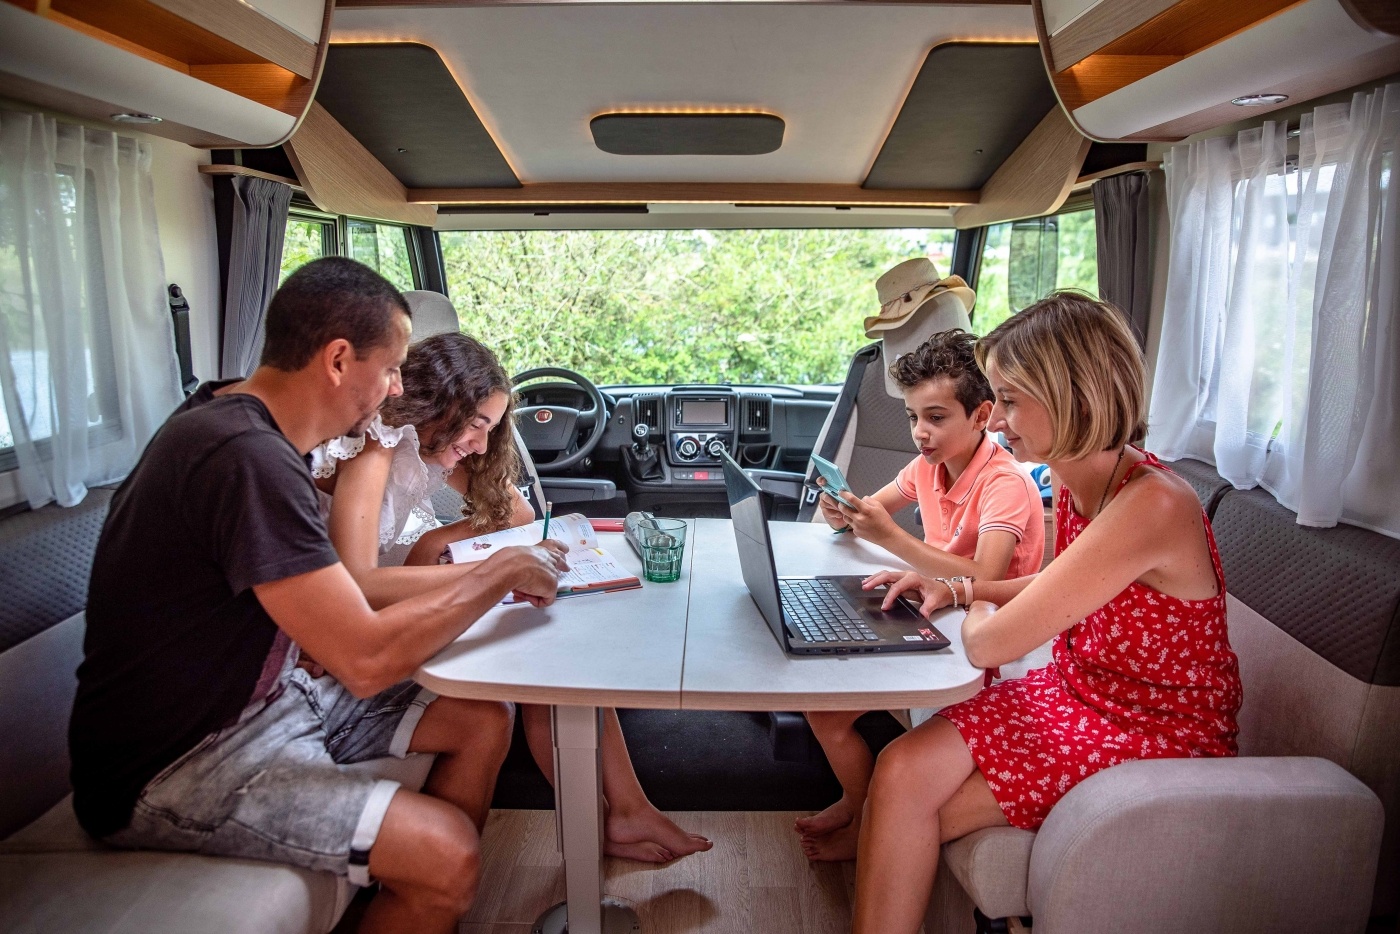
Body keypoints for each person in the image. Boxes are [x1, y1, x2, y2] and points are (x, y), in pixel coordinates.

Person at [70, 258, 568, 934]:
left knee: (480, 721)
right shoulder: (244, 457)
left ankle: (420, 907)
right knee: (447, 854)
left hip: (276, 700)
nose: (398, 390)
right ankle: (428, 886)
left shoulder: (242, 422)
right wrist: (496, 573)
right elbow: (364, 659)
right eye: (391, 370)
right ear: (338, 361)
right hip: (177, 761)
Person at [850, 293, 1242, 933]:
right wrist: (957, 589)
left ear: (1071, 395)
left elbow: (987, 647)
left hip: (1153, 730)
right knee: (899, 768)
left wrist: (973, 596)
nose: (998, 421)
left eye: (1009, 400)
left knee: (914, 808)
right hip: (1081, 690)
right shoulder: (1077, 475)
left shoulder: (1154, 504)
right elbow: (1057, 585)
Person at [312, 330, 711, 863]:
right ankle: (620, 814)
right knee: (537, 652)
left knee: (551, 647)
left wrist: (460, 533)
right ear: (440, 403)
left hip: (395, 592)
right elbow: (355, 582)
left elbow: (520, 517)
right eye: (477, 424)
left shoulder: (433, 444)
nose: (480, 444)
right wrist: (493, 571)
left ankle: (626, 810)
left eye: (491, 429)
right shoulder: (377, 441)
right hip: (353, 617)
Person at [797, 329, 1044, 861]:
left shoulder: (1004, 483)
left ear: (982, 416)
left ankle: (867, 825)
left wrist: (888, 535)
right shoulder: (926, 467)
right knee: (823, 710)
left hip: (989, 642)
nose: (920, 432)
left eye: (935, 417)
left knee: (829, 703)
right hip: (932, 616)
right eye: (912, 417)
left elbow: (984, 574)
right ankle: (858, 805)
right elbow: (873, 512)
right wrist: (844, 513)